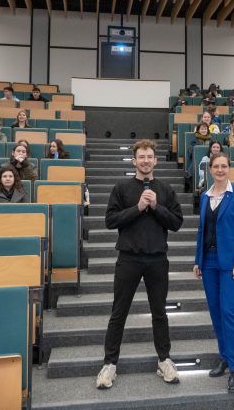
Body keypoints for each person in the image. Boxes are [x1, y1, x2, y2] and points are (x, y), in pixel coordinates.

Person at [97, 140, 184, 390]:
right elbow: (110, 221)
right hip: (129, 258)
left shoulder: (165, 190)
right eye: (141, 157)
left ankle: (164, 360)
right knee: (118, 313)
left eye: (150, 157)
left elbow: (177, 222)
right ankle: (110, 364)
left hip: (157, 259)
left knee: (160, 313)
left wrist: (156, 206)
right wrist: (138, 207)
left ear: (155, 161)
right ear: (134, 161)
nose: (146, 161)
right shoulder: (122, 187)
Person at [192, 150, 234, 393]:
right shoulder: (205, 196)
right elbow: (201, 230)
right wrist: (198, 259)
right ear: (210, 169)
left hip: (231, 264)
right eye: (216, 166)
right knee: (216, 314)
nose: (220, 170)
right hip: (209, 262)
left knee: (228, 312)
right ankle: (224, 358)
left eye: (224, 166)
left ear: (229, 169)